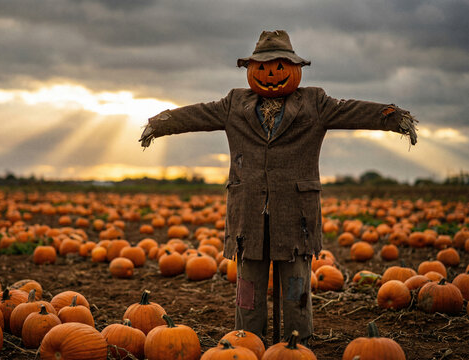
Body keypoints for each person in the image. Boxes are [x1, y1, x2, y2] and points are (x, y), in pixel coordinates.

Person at [139, 30, 417, 346]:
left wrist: (394, 117)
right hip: (249, 213)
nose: (271, 74)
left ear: (293, 67)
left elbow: (353, 110)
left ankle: (297, 343)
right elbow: (196, 115)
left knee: (297, 283)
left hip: (295, 212)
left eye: (279, 65)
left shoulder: (315, 103)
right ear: (251, 68)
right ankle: (247, 341)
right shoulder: (234, 103)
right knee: (248, 285)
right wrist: (158, 124)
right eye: (263, 66)